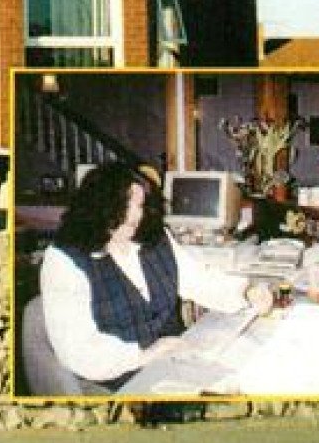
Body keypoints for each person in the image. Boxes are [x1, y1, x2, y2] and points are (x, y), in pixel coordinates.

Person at [40, 161, 273, 390]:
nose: (136, 216)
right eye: (125, 205)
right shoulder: (63, 260)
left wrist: (245, 292)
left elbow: (198, 279)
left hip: (174, 363)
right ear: (98, 207)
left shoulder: (153, 237)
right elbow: (78, 349)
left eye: (139, 205)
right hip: (118, 378)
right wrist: (144, 355)